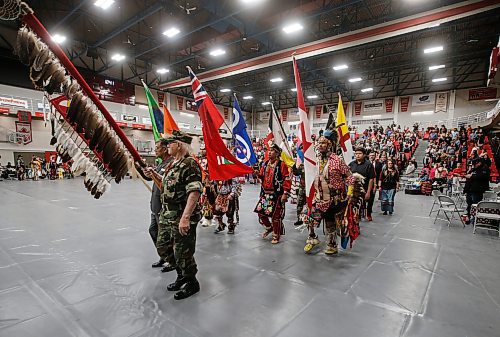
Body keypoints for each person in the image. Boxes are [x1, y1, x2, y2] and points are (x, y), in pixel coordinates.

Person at [145, 130, 203, 300]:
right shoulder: (173, 163)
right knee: (163, 247)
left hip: (181, 215)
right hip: (167, 214)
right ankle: (181, 274)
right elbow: (167, 183)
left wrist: (185, 218)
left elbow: (194, 191)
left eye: (170, 143)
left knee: (183, 252)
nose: (167, 145)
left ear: (179, 145)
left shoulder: (189, 163)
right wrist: (154, 174)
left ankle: (191, 282)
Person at [254, 143, 291, 244]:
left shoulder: (281, 164)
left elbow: (287, 178)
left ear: (277, 153)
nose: (269, 152)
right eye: (269, 150)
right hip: (266, 193)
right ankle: (269, 227)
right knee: (261, 213)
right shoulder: (265, 163)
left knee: (275, 216)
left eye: (272, 151)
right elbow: (262, 176)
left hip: (277, 194)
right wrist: (258, 174)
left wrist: (285, 193)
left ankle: (276, 235)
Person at [148, 139, 176, 273]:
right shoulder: (160, 164)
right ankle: (164, 256)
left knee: (165, 237)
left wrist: (153, 174)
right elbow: (151, 178)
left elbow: (166, 183)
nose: (155, 150)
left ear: (165, 149)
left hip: (164, 207)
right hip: (155, 206)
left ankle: (171, 260)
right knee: (153, 231)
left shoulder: (171, 164)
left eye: (157, 148)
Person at [349, 147, 376, 221]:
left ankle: (368, 214)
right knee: (355, 204)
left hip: (366, 187)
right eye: (356, 154)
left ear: (364, 155)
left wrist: (368, 192)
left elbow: (371, 179)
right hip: (354, 188)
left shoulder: (368, 165)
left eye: (360, 153)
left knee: (369, 202)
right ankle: (357, 216)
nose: (357, 155)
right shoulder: (352, 164)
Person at [463, 157, 490, 225]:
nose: (473, 165)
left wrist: (471, 176)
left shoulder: (485, 168)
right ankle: (468, 217)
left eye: (475, 163)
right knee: (469, 205)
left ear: (479, 163)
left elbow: (481, 177)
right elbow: (469, 175)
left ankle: (475, 219)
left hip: (477, 190)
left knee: (476, 205)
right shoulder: (474, 169)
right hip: (470, 189)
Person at [292, 162, 305, 227]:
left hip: (311, 188)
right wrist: (294, 165)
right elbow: (296, 173)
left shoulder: (314, 163)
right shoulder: (302, 164)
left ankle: (310, 220)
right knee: (299, 203)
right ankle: (299, 219)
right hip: (302, 187)